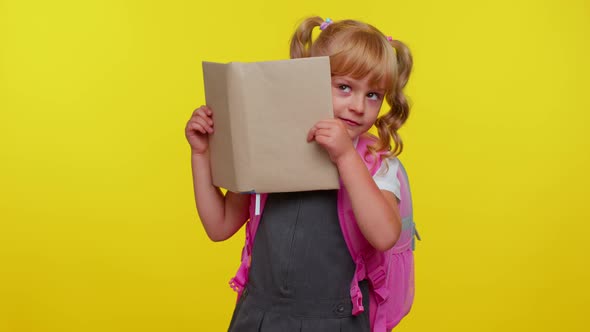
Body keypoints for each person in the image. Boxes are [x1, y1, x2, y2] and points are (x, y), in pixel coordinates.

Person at [185, 16, 413, 332]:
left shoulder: (376, 162)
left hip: (336, 322)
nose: (359, 106)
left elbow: (384, 235)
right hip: (260, 317)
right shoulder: (271, 144)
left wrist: (347, 156)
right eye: (344, 87)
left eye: (373, 94)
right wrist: (200, 154)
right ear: (309, 80)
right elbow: (219, 225)